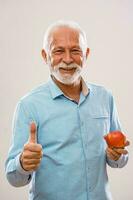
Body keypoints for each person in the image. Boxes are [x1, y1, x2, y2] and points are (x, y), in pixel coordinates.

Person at [5, 20, 129, 200]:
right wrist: (23, 163)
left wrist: (117, 155)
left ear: (86, 54)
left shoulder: (105, 98)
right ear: (45, 55)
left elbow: (119, 159)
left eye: (75, 50)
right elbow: (13, 178)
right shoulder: (28, 105)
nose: (68, 59)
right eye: (58, 51)